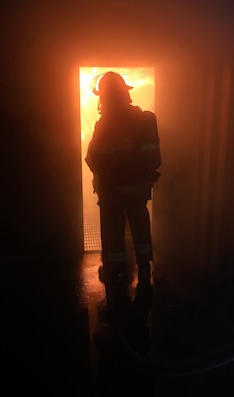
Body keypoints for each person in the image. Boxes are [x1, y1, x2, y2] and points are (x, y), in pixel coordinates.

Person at [85, 71, 161, 286]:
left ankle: (116, 270)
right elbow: (153, 157)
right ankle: (144, 267)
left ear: (105, 97)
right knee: (140, 224)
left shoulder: (106, 124)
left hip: (114, 189)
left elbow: (94, 159)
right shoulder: (146, 120)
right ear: (125, 93)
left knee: (114, 229)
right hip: (139, 187)